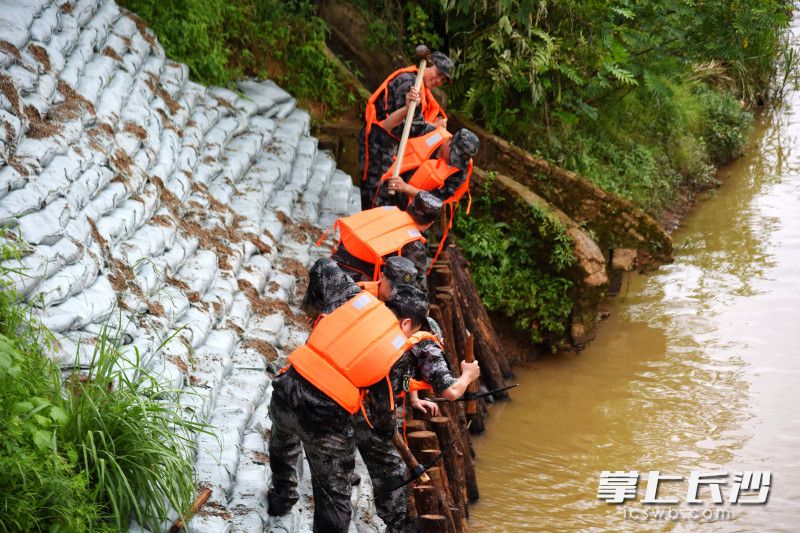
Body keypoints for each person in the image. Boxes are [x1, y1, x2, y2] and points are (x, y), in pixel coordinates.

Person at [266, 286, 480, 533]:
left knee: (283, 444)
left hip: (286, 389)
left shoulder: (360, 311)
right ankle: (395, 524)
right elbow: (385, 414)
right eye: (416, 329)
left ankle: (281, 497)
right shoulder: (394, 346)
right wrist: (467, 375)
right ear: (407, 323)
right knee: (334, 497)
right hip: (322, 418)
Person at [358, 51, 455, 210]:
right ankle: (364, 228)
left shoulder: (423, 89)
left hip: (391, 144)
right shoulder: (410, 83)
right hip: (378, 139)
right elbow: (405, 127)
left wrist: (432, 125)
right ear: (428, 65)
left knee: (382, 194)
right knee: (374, 190)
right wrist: (434, 128)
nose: (438, 81)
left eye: (442, 80)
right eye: (438, 74)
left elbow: (414, 123)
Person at [324, 191, 443, 294]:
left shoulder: (386, 211)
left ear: (409, 206)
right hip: (356, 285)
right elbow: (413, 286)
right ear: (429, 224)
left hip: (332, 265)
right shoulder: (414, 246)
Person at [374, 128, 480, 211]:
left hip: (415, 210)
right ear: (449, 141)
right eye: (453, 156)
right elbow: (408, 122)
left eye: (458, 161)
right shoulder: (431, 132)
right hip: (389, 188)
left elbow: (436, 199)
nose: (453, 163)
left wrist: (405, 188)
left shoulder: (460, 171)